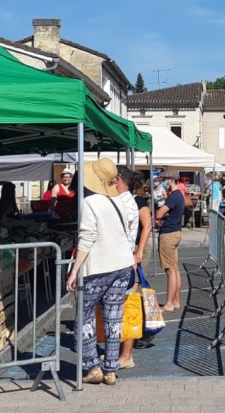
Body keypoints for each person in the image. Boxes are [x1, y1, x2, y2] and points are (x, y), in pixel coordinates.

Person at [65, 159, 133, 386]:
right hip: (122, 263)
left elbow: (87, 238)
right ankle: (111, 369)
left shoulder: (90, 202)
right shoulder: (119, 200)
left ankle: (91, 365)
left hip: (99, 266)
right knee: (113, 317)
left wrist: (75, 270)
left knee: (84, 316)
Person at [118, 166, 153, 370]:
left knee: (133, 295)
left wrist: (139, 250)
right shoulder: (132, 201)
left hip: (136, 251)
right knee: (132, 296)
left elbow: (147, 225)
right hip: (132, 252)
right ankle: (134, 335)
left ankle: (143, 331)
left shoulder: (138, 202)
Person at [155, 176, 185, 312]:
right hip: (175, 232)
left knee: (170, 270)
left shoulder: (174, 196)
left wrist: (161, 212)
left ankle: (169, 304)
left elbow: (159, 214)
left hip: (168, 233)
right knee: (174, 268)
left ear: (171, 180)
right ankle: (175, 301)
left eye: (165, 180)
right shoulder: (179, 195)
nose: (163, 183)